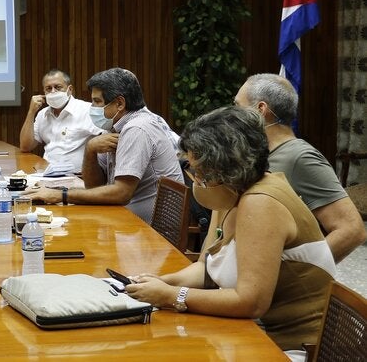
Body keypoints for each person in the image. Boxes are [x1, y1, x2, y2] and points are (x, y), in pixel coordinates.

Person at [125, 106, 335, 357]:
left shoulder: (261, 202)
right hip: (249, 333)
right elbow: (206, 268)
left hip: (288, 346)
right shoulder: (229, 194)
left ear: (221, 168)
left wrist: (172, 295)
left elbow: (250, 301)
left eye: (196, 169)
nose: (193, 177)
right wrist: (160, 282)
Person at [235, 73, 366, 262]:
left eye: (238, 106)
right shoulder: (260, 153)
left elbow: (352, 231)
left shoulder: (300, 157)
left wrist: (300, 273)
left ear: (260, 109)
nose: (233, 115)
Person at [26, 68, 183, 223]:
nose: (92, 108)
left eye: (97, 101)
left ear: (119, 103)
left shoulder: (137, 128)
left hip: (151, 233)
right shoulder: (113, 127)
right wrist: (90, 150)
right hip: (124, 219)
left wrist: (62, 195)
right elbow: (94, 186)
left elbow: (121, 193)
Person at [19, 69, 103, 173]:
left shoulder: (87, 110)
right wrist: (31, 112)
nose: (53, 91)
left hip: (79, 176)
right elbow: (25, 146)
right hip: (47, 173)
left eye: (58, 87)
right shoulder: (42, 114)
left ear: (70, 89)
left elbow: (107, 139)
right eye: (48, 88)